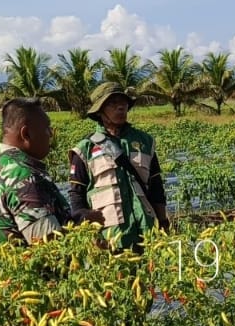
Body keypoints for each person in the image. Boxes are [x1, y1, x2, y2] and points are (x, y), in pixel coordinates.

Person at [0, 97, 102, 244]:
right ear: (26, 134)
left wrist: (76, 218)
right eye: (46, 128)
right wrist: (85, 224)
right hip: (33, 267)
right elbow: (46, 243)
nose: (50, 133)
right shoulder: (24, 176)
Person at [68, 83, 170, 252]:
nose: (120, 107)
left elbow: (156, 186)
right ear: (100, 111)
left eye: (123, 102)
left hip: (148, 234)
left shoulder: (145, 142)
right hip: (109, 238)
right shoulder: (84, 149)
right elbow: (76, 195)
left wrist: (164, 222)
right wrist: (88, 234)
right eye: (112, 103)